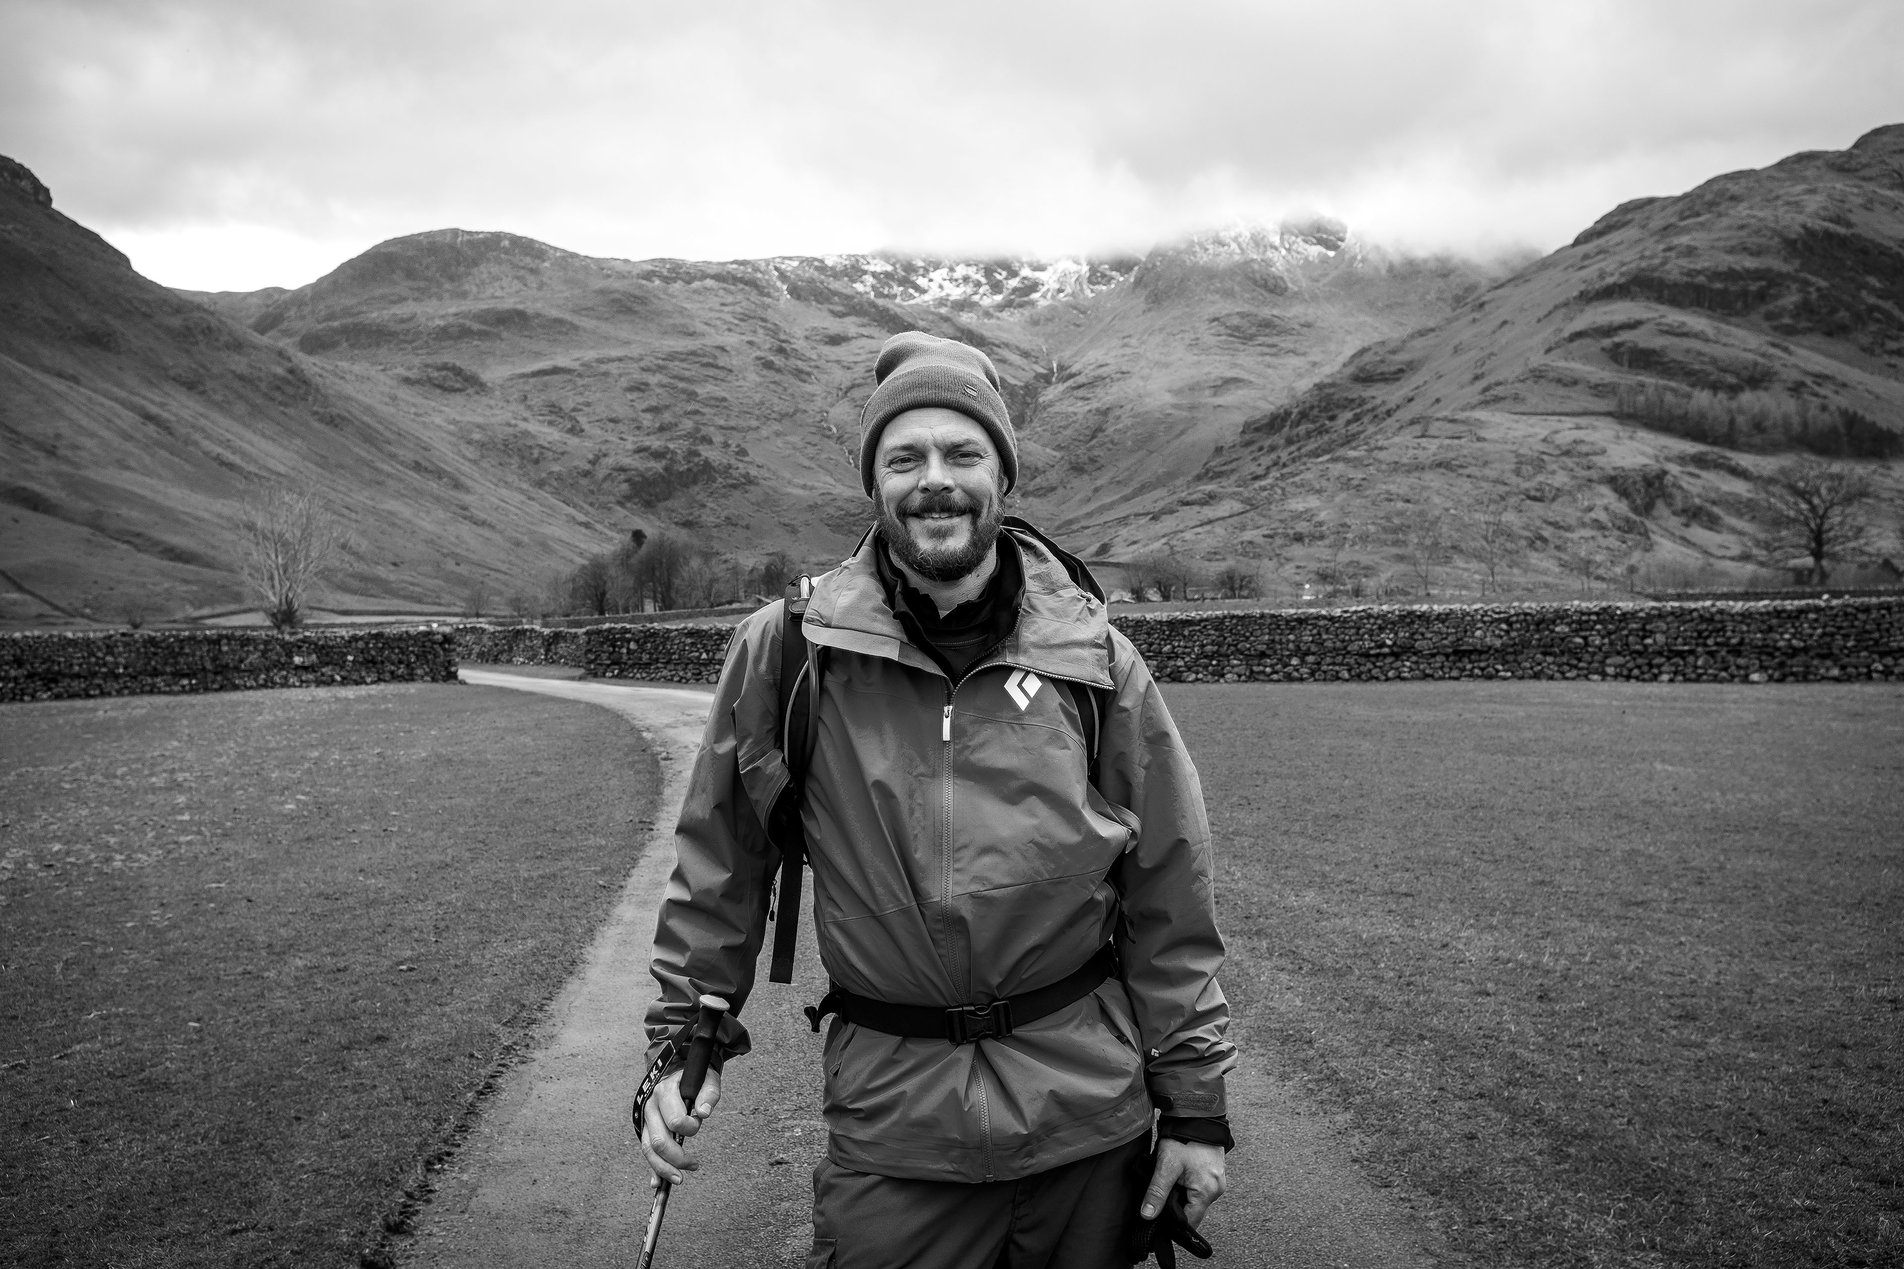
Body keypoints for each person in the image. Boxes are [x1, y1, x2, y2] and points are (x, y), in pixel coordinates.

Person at [638, 331, 1235, 1268]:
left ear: (1002, 473)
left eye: (963, 453)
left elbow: (1169, 886)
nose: (936, 480)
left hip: (1087, 1125)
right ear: (874, 483)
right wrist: (685, 1038)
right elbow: (722, 861)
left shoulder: (1096, 657)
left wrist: (1194, 1104)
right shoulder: (788, 651)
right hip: (895, 1132)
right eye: (905, 456)